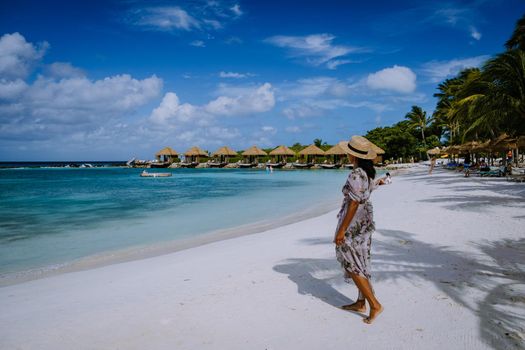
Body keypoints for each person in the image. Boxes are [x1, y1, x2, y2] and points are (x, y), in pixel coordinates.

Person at [333, 135, 384, 324]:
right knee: (361, 260)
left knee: (351, 262)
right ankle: (361, 302)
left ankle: (374, 304)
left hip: (354, 223)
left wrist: (341, 230)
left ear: (353, 155)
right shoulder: (367, 172)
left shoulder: (356, 174)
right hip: (365, 222)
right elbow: (364, 195)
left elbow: (353, 203)